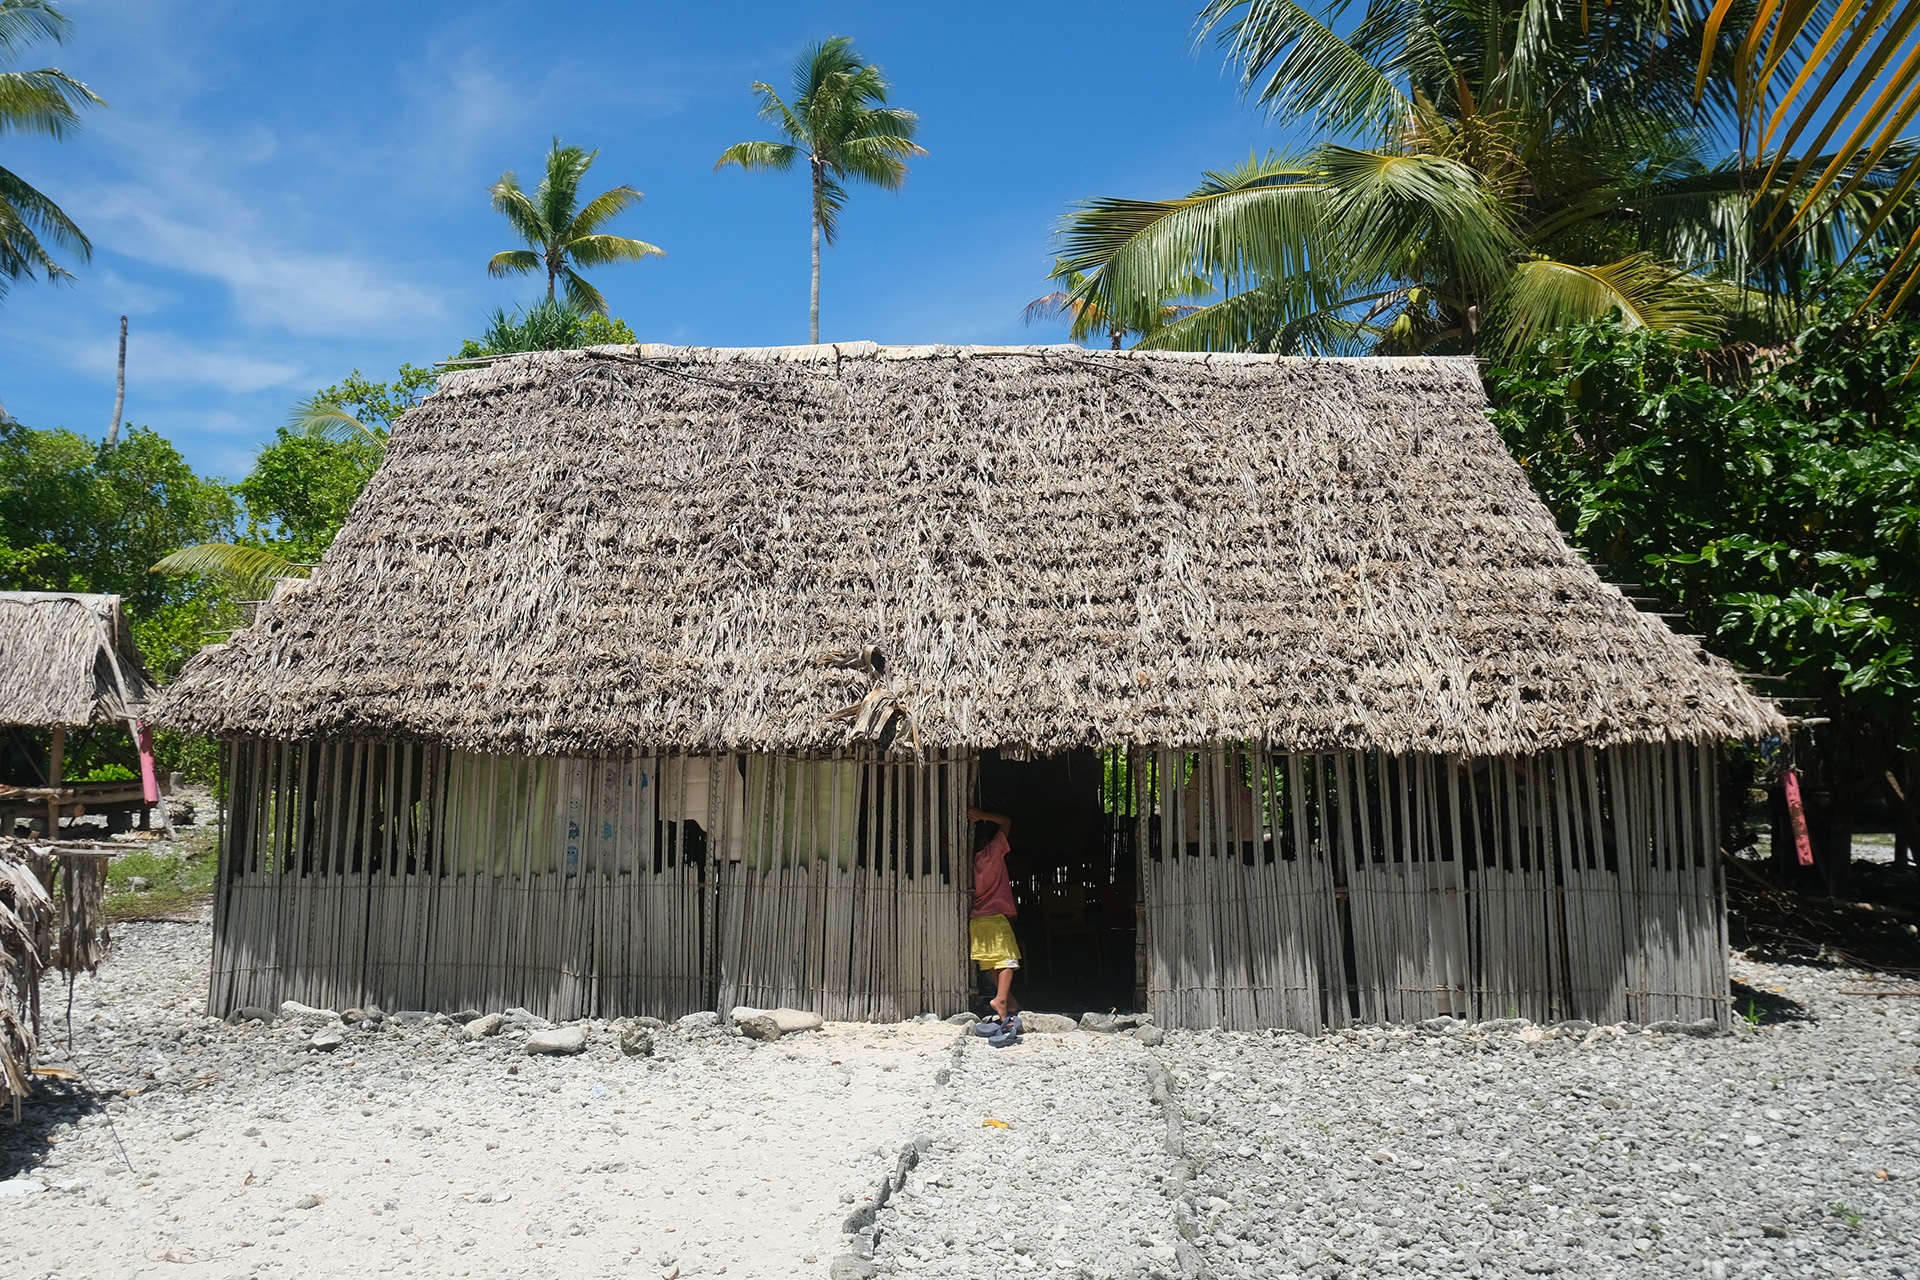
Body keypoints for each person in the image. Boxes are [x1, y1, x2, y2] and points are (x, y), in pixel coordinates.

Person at [967, 806, 1021, 1019]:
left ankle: (1011, 1003)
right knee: (1008, 961)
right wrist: (981, 815)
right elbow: (1006, 820)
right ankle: (999, 1000)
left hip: (977, 920)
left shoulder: (966, 861)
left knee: (991, 963)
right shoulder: (994, 852)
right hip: (995, 918)